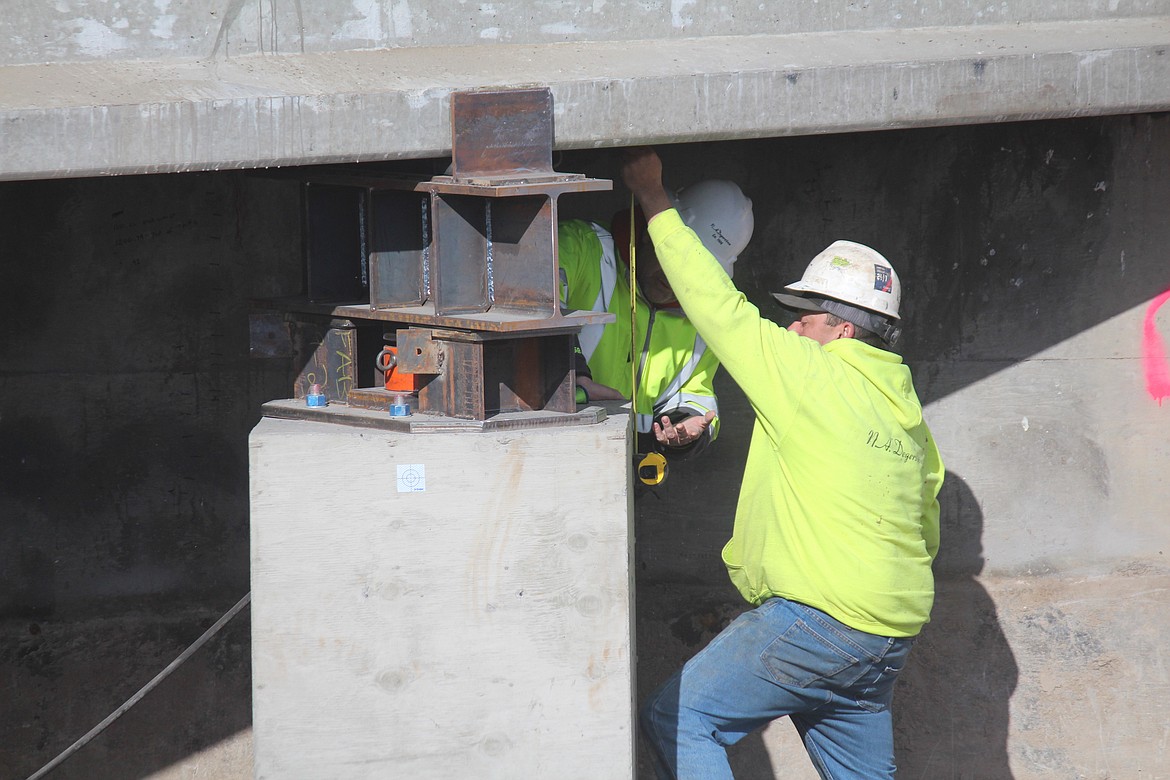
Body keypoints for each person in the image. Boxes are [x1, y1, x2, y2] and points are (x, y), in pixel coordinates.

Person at [622, 147, 944, 779]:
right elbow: (925, 528)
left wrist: (655, 200)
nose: (792, 328)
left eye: (805, 317)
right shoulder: (906, 413)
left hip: (820, 621)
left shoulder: (810, 374)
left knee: (681, 716)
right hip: (887, 638)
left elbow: (717, 305)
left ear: (844, 332)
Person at [558, 174, 754, 457]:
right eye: (673, 256)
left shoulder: (702, 319)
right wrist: (569, 368)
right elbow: (530, 300)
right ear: (652, 231)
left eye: (694, 268)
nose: (674, 277)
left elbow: (695, 391)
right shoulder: (582, 247)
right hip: (546, 446)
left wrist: (683, 424)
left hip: (620, 468)